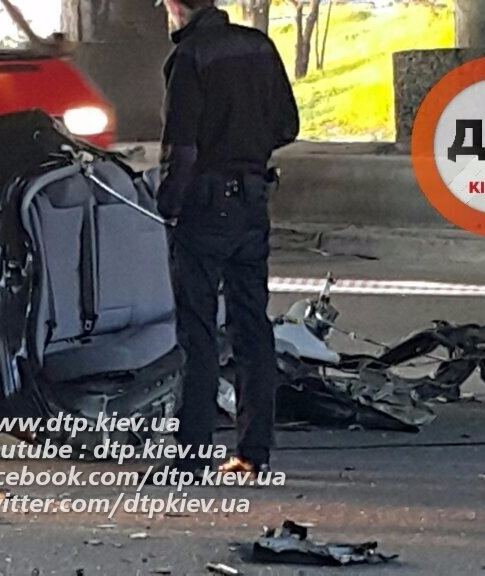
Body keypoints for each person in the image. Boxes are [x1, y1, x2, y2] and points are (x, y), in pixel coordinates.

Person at [156, 0, 299, 475]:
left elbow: (182, 148)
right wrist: (247, 148)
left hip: (204, 208)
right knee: (252, 326)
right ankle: (253, 451)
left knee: (197, 332)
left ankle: (190, 457)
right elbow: (288, 125)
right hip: (253, 202)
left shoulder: (189, 57)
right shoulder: (259, 47)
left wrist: (168, 206)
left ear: (176, 6)